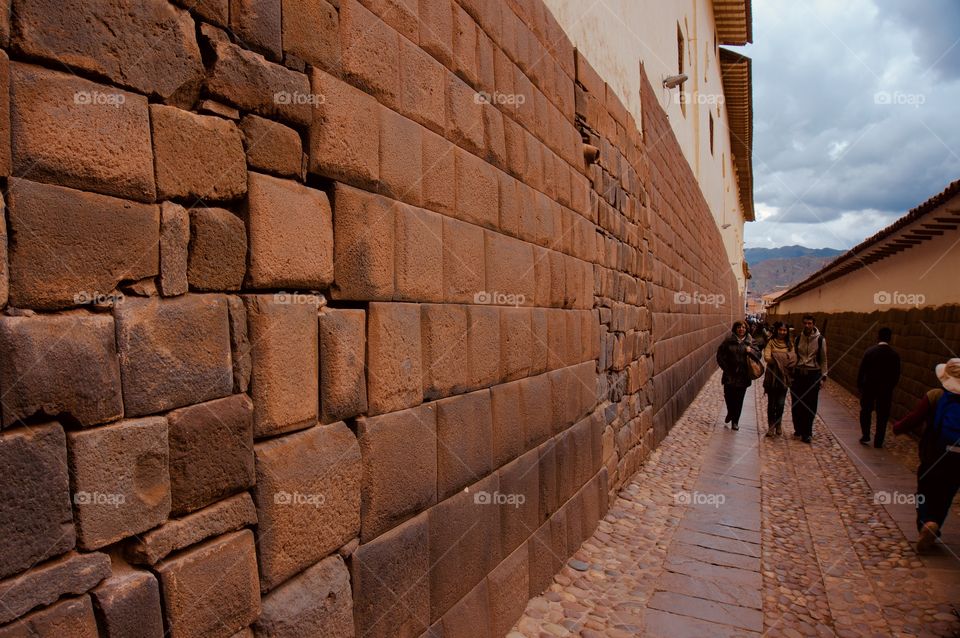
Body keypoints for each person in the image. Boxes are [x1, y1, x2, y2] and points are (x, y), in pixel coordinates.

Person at [892, 358, 960, 553]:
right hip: (958, 459)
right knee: (946, 494)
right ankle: (935, 523)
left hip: (934, 454)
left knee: (924, 490)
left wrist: (898, 427)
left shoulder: (935, 396)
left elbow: (915, 418)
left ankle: (926, 522)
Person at [856, 327, 901, 447]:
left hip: (869, 387)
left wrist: (860, 385)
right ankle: (879, 440)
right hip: (885, 390)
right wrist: (890, 387)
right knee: (883, 414)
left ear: (878, 337)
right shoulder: (894, 355)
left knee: (866, 411)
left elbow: (862, 370)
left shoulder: (870, 352)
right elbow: (896, 375)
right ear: (890, 338)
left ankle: (866, 435)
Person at [790, 315, 827, 444]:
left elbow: (823, 359)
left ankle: (807, 432)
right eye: (805, 323)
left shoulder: (820, 340)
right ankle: (798, 428)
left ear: (813, 324)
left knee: (810, 404)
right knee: (796, 403)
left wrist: (823, 377)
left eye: (809, 323)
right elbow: (794, 356)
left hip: (813, 374)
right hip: (798, 374)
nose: (807, 325)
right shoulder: (798, 338)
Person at [716, 320, 756, 431]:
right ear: (735, 329)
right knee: (728, 396)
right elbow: (720, 355)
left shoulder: (751, 341)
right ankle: (730, 412)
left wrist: (751, 351)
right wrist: (726, 368)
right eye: (739, 327)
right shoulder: (728, 341)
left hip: (743, 376)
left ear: (746, 329)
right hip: (729, 375)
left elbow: (758, 355)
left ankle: (735, 422)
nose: (741, 329)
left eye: (743, 327)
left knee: (739, 400)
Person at [763, 322, 796, 437]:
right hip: (772, 377)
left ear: (787, 331)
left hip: (784, 377)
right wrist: (783, 359)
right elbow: (767, 357)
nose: (782, 332)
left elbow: (793, 359)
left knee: (781, 403)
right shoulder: (771, 342)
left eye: (784, 330)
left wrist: (776, 357)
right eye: (780, 330)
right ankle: (771, 426)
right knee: (771, 404)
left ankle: (778, 423)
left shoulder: (790, 344)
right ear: (777, 330)